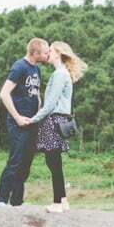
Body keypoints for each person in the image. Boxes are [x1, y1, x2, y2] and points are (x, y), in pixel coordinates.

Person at [26, 40, 87, 213]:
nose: (48, 53)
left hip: (53, 121)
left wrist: (33, 119)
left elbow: (50, 104)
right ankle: (63, 200)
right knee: (55, 163)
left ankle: (57, 203)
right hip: (58, 120)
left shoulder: (60, 74)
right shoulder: (62, 73)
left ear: (59, 53)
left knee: (53, 162)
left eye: (51, 50)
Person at [0, 37, 49, 207]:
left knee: (26, 162)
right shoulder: (20, 67)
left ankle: (17, 201)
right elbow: (4, 93)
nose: (48, 54)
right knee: (15, 160)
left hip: (32, 122)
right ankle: (1, 201)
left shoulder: (36, 70)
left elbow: (36, 94)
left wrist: (39, 114)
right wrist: (17, 117)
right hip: (18, 123)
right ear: (35, 52)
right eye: (45, 52)